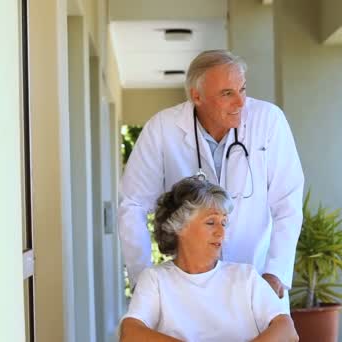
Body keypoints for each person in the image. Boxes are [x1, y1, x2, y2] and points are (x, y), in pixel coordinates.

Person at [118, 50, 304, 301]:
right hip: (188, 284)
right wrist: (142, 278)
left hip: (257, 279)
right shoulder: (162, 128)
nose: (240, 102)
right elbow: (133, 204)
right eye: (227, 93)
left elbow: (288, 203)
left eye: (242, 89)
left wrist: (276, 273)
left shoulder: (268, 121)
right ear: (197, 96)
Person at [119, 177, 299, 342]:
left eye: (224, 223)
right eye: (211, 222)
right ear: (179, 226)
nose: (221, 232)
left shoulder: (245, 277)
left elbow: (287, 329)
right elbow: (130, 333)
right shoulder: (155, 280)